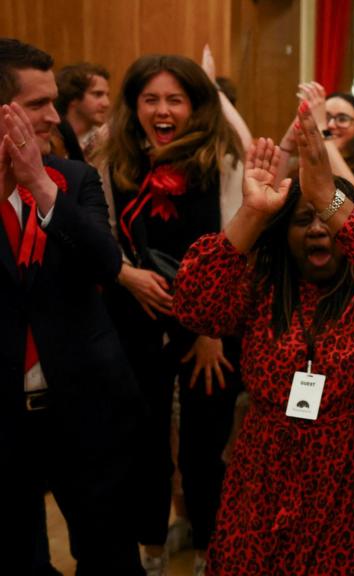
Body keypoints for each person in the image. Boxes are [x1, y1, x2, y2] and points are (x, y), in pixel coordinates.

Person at [173, 104, 354, 574]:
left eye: (327, 219)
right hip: (265, 477)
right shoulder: (260, 288)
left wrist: (330, 196)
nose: (316, 228)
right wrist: (253, 211)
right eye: (302, 219)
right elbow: (194, 304)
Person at [0, 37, 142, 574]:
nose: (54, 116)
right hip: (5, 419)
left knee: (110, 556)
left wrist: (38, 183)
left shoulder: (73, 179)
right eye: (38, 104)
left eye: (54, 101)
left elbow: (107, 262)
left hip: (85, 408)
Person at [99, 53, 245, 575]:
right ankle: (152, 549)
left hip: (211, 328)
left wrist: (209, 328)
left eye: (175, 100)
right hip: (135, 322)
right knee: (145, 447)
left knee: (205, 450)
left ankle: (210, 550)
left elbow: (236, 247)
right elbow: (103, 235)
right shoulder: (112, 159)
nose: (163, 110)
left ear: (195, 106)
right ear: (134, 106)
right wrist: (125, 275)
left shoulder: (221, 160)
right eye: (151, 99)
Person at [294, 82, 354, 207]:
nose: (330, 125)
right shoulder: (305, 166)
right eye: (326, 117)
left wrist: (322, 129)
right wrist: (289, 142)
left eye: (342, 119)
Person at [54, 62, 110, 162]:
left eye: (107, 95)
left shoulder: (107, 142)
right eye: (97, 94)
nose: (107, 103)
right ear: (73, 97)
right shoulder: (52, 137)